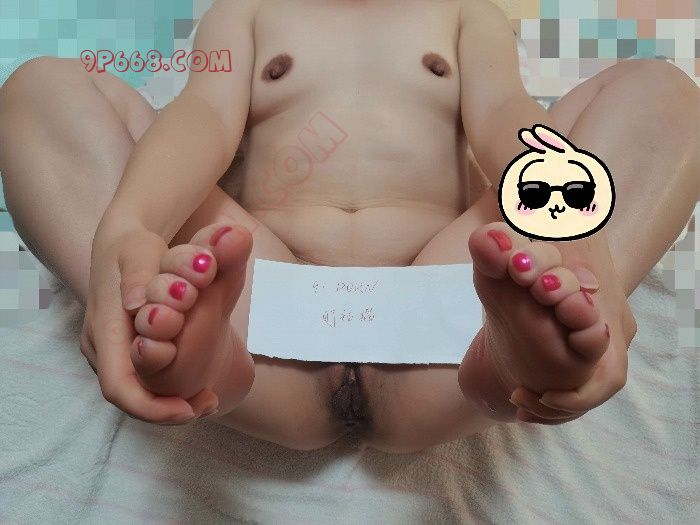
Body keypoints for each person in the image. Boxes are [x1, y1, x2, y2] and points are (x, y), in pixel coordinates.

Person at [0, 0, 697, 454]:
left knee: (661, 91)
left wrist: (575, 226)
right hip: (259, 286)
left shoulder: (465, 11)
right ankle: (191, 347)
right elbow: (205, 114)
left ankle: (519, 353)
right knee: (42, 87)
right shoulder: (245, 9)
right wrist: (133, 225)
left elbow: (500, 115)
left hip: (448, 291)